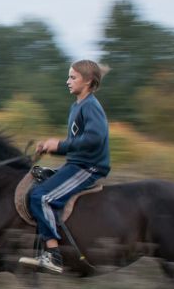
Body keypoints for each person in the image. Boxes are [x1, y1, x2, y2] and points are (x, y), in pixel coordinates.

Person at [19, 60, 111, 274]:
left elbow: (94, 138)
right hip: (77, 162)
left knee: (41, 197)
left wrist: (60, 144)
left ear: (87, 81)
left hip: (89, 167)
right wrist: (52, 148)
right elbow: (76, 144)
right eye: (69, 76)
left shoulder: (90, 106)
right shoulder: (77, 106)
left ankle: (53, 255)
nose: (67, 81)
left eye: (72, 77)